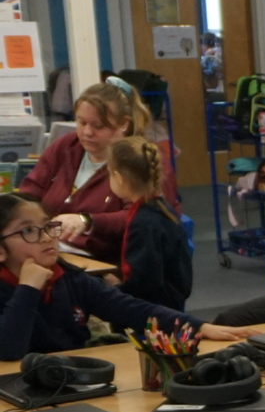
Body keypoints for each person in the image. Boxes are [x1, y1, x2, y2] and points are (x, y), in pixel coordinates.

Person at [0, 194, 249, 360]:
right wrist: (27, 289)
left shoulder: (70, 279)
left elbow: (133, 310)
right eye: (28, 231)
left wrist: (199, 326)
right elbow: (9, 350)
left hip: (67, 380)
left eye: (48, 226)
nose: (46, 237)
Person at [19, 79, 181, 263]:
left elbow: (146, 217)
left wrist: (87, 221)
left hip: (109, 261)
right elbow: (30, 192)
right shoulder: (67, 146)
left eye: (98, 126)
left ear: (123, 124)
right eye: (81, 122)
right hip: (55, 251)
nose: (87, 132)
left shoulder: (140, 158)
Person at [105, 136, 192, 311]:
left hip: (153, 313)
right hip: (170, 305)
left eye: (109, 173)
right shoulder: (162, 208)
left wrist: (116, 288)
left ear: (119, 177)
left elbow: (144, 284)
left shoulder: (143, 224)